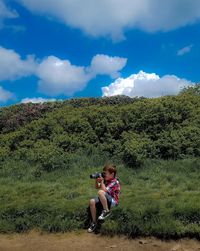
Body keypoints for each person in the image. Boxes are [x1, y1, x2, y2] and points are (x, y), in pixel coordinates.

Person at [88, 163, 120, 233]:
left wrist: (102, 181)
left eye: (106, 173)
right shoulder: (106, 180)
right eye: (104, 173)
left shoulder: (115, 181)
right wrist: (97, 180)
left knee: (100, 192)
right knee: (92, 201)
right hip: (105, 199)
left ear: (112, 174)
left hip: (113, 201)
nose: (104, 175)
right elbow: (97, 187)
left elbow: (105, 191)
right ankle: (94, 223)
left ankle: (106, 211)